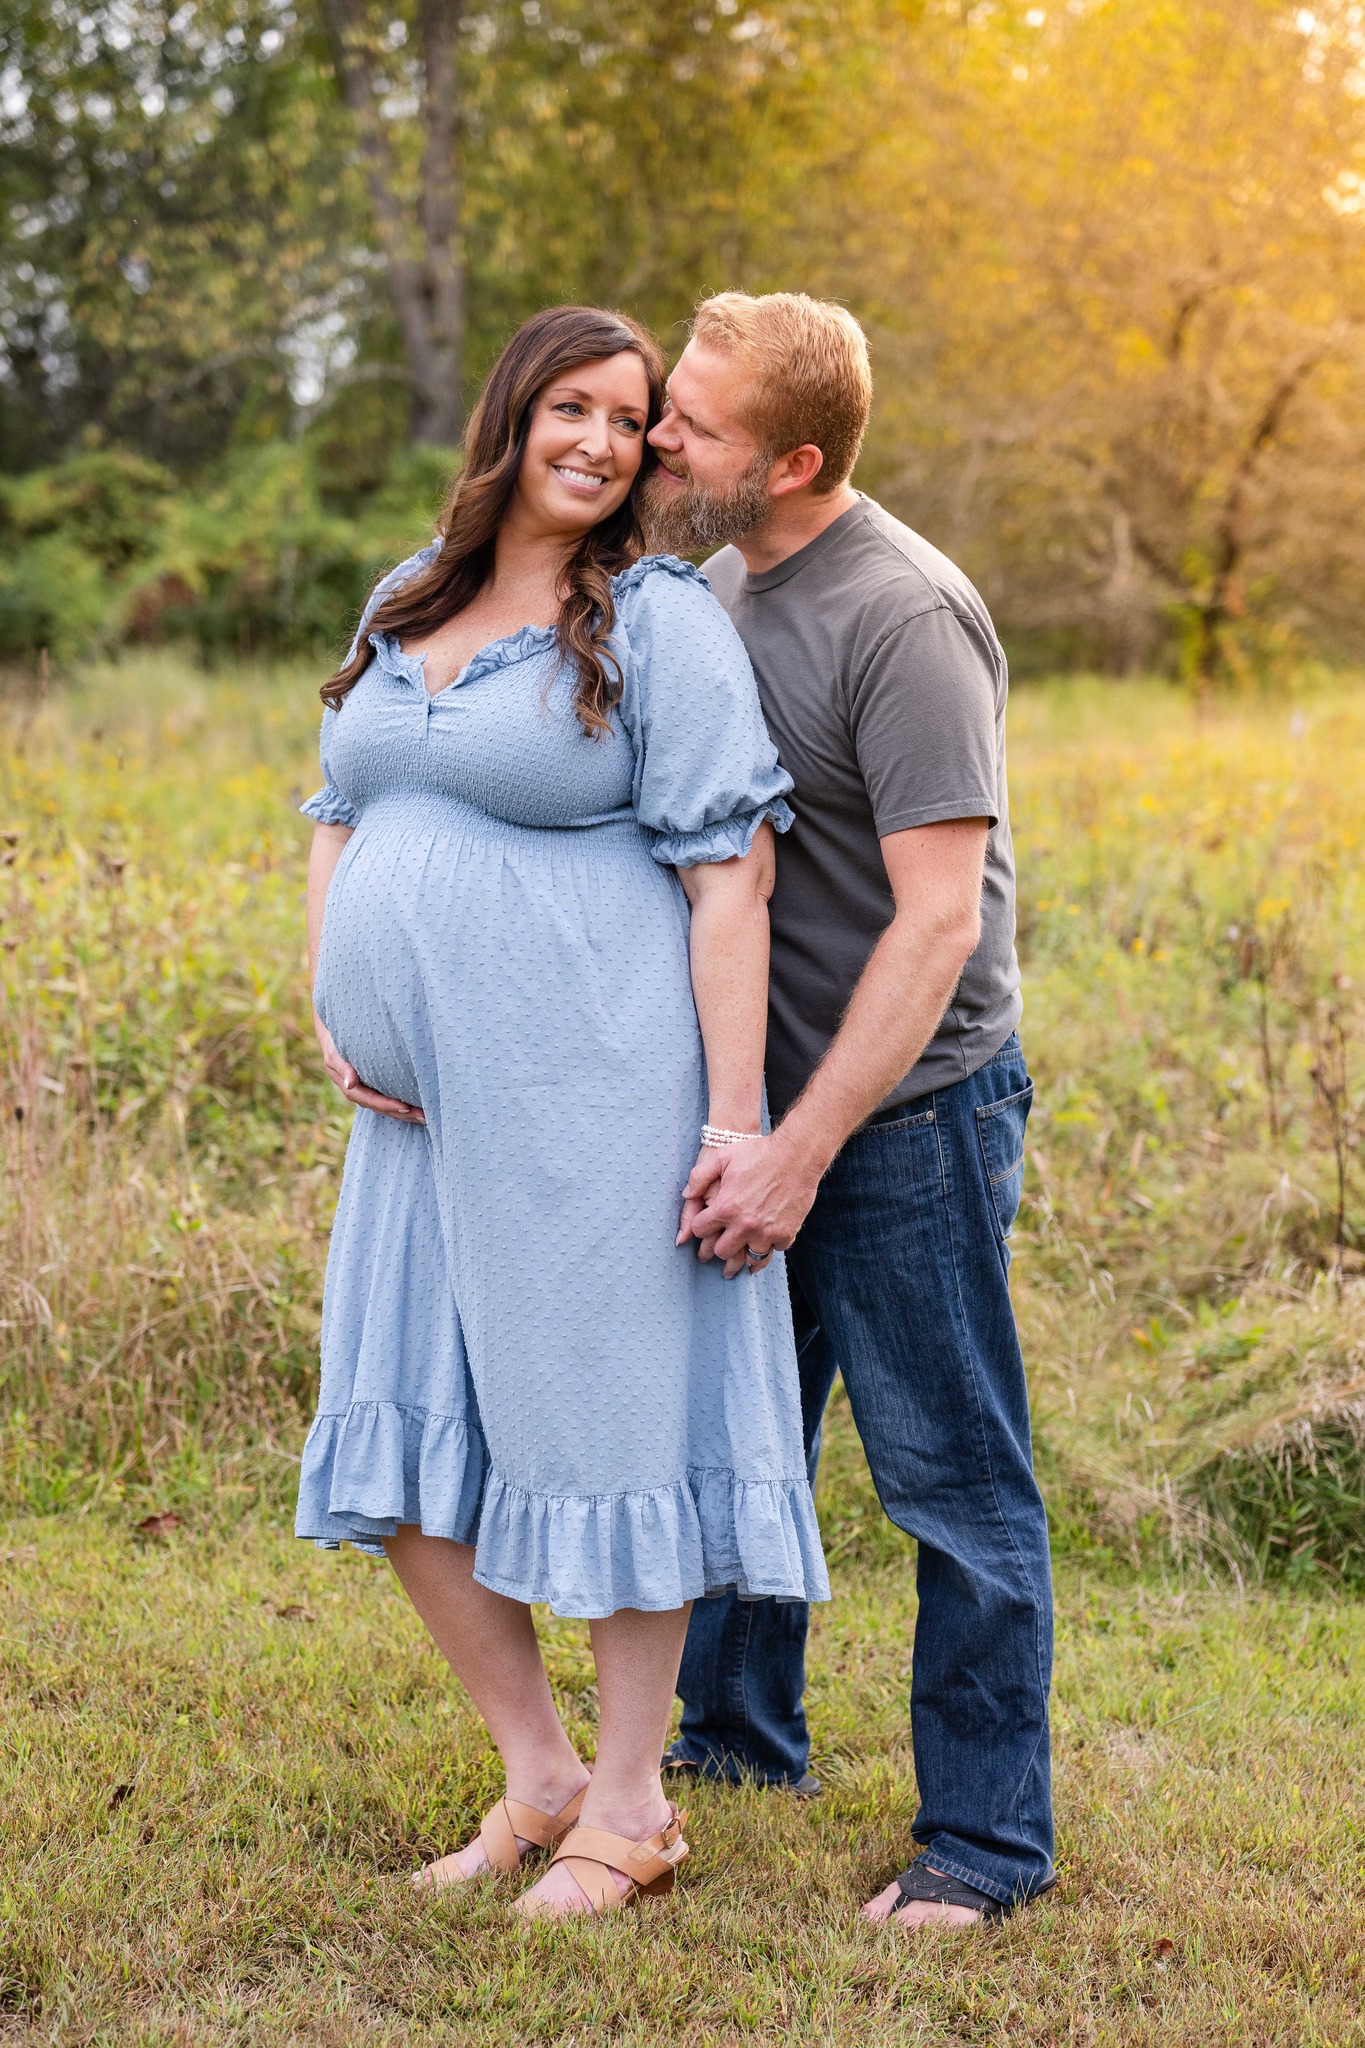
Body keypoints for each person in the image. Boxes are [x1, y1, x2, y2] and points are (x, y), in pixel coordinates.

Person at [293, 304, 828, 1920]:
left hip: (597, 1080)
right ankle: (536, 1777)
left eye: (632, 415)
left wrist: (734, 1120)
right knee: (394, 1427)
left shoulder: (657, 618)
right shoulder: (413, 589)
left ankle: (633, 1805)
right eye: (573, 408)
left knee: (599, 1432)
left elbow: (729, 878)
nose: (601, 441)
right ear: (513, 412)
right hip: (415, 1111)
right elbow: (338, 806)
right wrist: (332, 994)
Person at [642, 291, 1055, 1930]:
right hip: (762, 1112)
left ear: (794, 458)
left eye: (696, 422)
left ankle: (985, 1843)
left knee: (950, 1480)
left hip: (907, 1122)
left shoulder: (903, 616)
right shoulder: (718, 578)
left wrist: (802, 1151)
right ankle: (736, 1739)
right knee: (743, 1437)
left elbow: (938, 920)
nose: (661, 435)